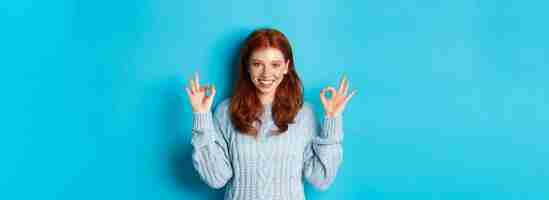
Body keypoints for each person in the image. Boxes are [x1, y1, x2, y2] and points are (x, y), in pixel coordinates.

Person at [184, 28, 357, 200]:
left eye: (275, 64)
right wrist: (201, 117)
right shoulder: (226, 111)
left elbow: (321, 179)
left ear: (286, 67)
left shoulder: (304, 114)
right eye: (257, 64)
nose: (266, 73)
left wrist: (332, 122)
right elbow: (216, 178)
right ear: (247, 67)